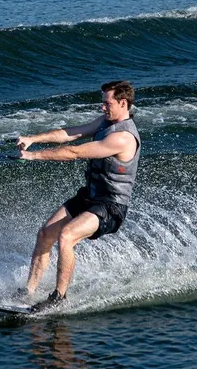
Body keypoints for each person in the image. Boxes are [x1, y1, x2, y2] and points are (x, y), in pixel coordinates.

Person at [16, 80, 141, 312]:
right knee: (45, 233)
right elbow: (70, 134)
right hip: (90, 197)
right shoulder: (105, 122)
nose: (102, 107)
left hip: (110, 206)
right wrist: (33, 139)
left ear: (123, 103)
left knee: (67, 235)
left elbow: (75, 152)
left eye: (107, 103)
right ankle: (28, 292)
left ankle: (59, 297)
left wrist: (34, 156)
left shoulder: (123, 137)